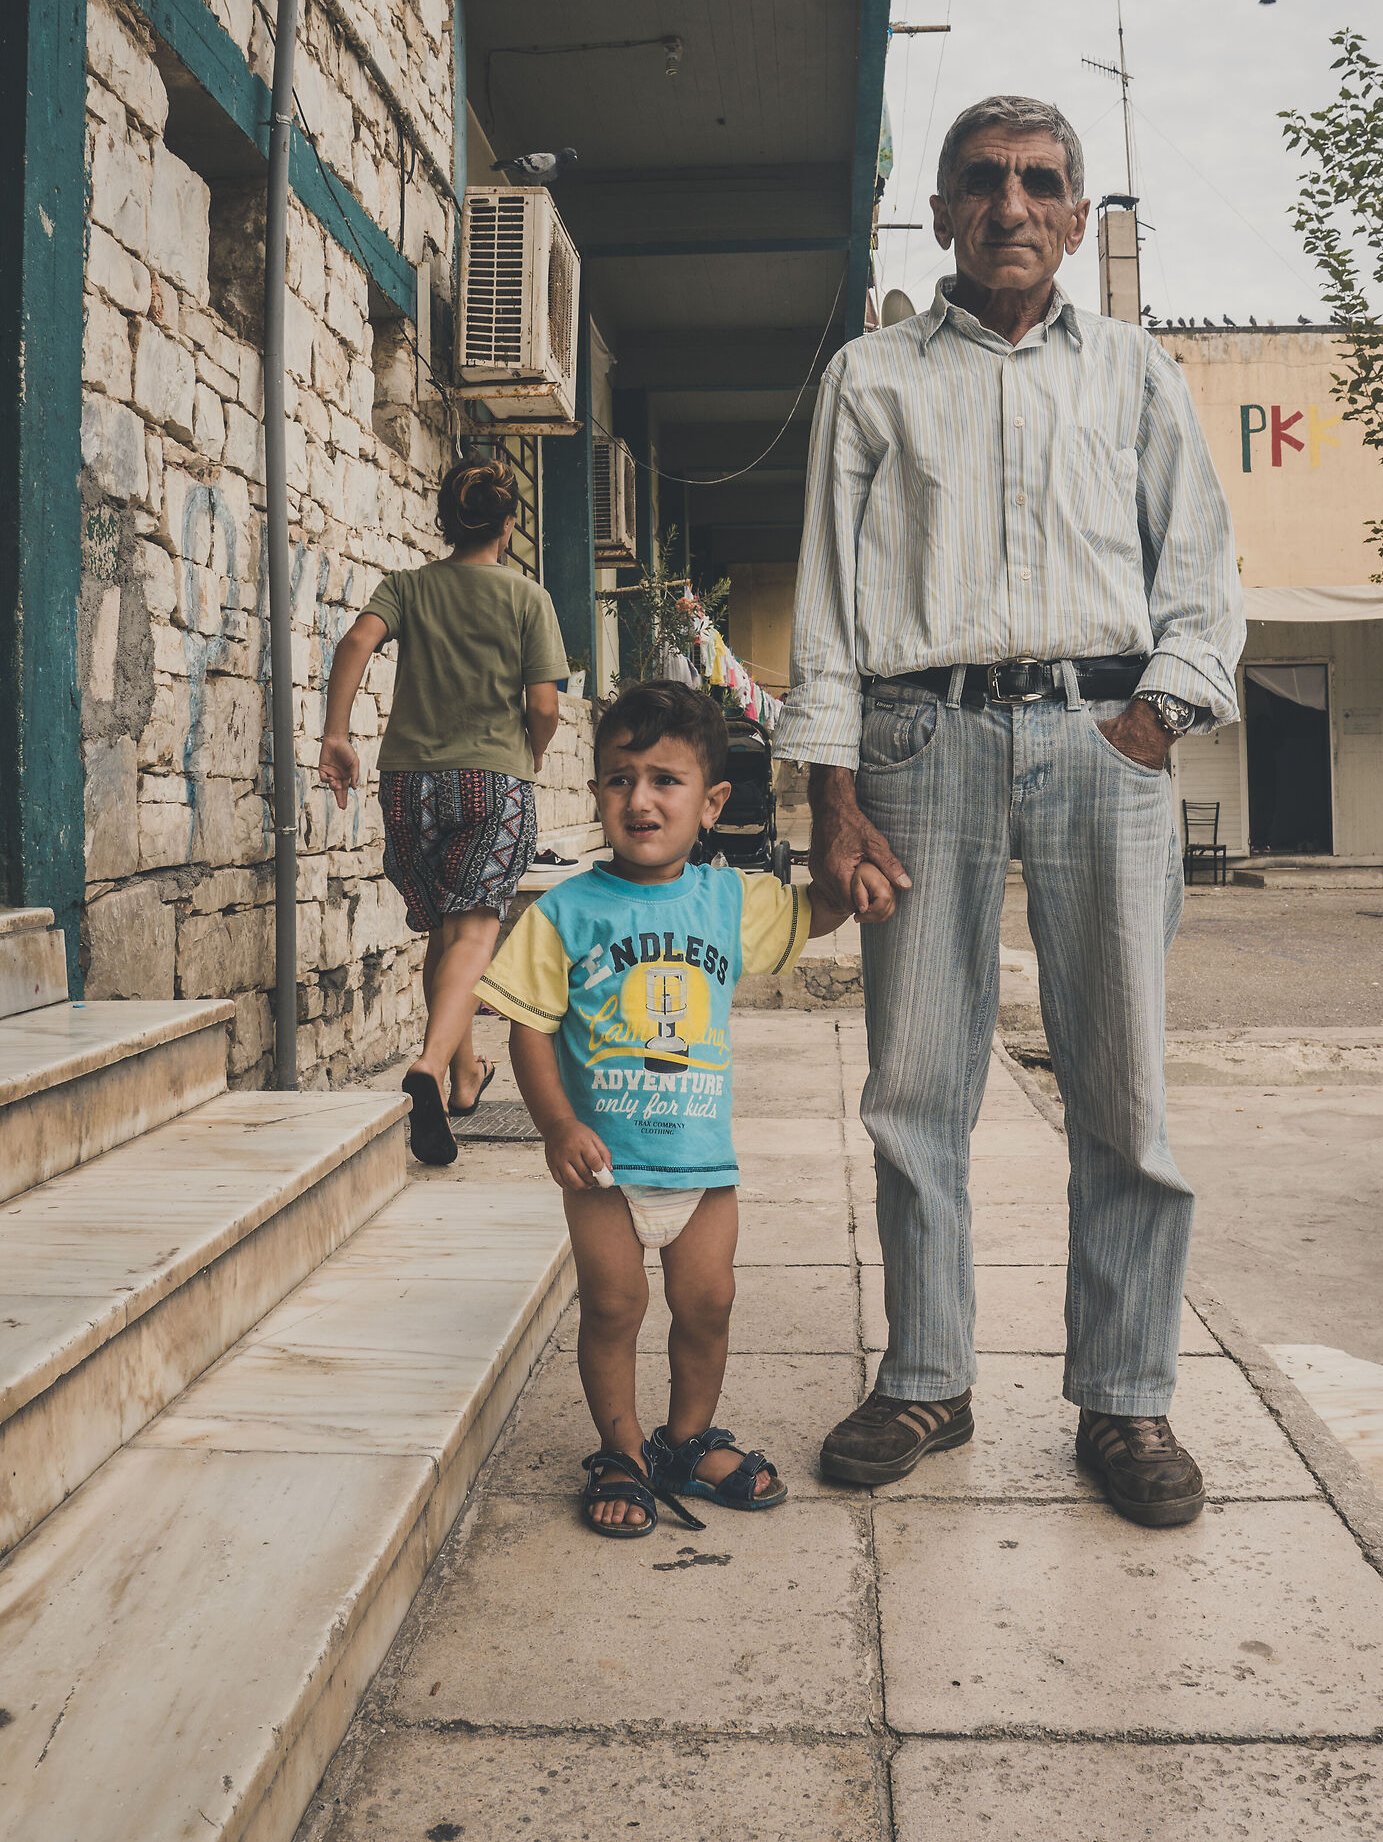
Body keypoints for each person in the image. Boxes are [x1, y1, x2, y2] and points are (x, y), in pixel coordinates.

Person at [777, 94, 1246, 1528]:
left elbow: (1203, 577)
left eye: (1043, 183)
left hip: (1106, 739)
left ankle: (1128, 1401)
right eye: (983, 181)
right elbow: (831, 608)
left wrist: (1151, 720)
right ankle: (928, 1375)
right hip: (922, 745)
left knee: (1122, 1090)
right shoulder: (872, 378)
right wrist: (834, 799)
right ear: (938, 210)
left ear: (1077, 212)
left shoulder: (1138, 376)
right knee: (918, 1084)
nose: (1012, 206)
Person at [475, 682, 851, 1537]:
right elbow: (528, 1029)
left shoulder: (728, 900)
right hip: (604, 1166)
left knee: (707, 1304)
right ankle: (620, 1451)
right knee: (613, 1309)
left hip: (701, 1166)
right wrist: (557, 1126)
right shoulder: (564, 912)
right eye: (618, 779)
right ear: (598, 791)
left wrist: (854, 871)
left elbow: (816, 913)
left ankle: (685, 1439)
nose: (639, 799)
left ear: (713, 801)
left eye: (664, 780)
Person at [319, 458, 566, 1167]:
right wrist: (534, 749)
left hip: (408, 785)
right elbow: (544, 706)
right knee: (475, 937)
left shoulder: (407, 587)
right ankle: (430, 1064)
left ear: (444, 522)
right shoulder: (527, 597)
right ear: (509, 525)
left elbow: (356, 642)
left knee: (444, 930)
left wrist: (337, 736)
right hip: (493, 781)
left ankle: (463, 1076)